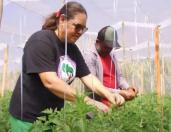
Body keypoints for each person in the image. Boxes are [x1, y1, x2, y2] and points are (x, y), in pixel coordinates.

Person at [9, 2, 125, 131]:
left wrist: (108, 94)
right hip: (28, 119)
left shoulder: (72, 49)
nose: (80, 32)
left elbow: (88, 77)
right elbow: (50, 82)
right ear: (62, 19)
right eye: (77, 27)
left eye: (83, 29)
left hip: (53, 117)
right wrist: (90, 102)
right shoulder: (41, 41)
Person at [84, 26, 138, 106]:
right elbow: (92, 86)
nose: (109, 50)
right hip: (98, 105)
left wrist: (128, 88)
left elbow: (119, 77)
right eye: (106, 47)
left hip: (115, 102)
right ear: (98, 41)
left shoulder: (112, 55)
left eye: (111, 47)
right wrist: (119, 92)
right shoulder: (90, 56)